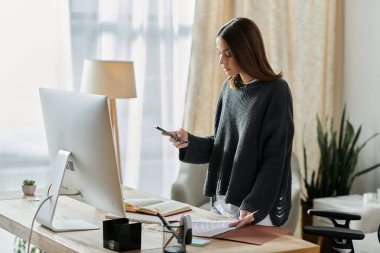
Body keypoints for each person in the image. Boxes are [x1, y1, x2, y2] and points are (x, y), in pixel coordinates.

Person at [165, 17, 294, 228]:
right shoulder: (229, 89)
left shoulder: (276, 91)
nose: (221, 61)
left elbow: (275, 158)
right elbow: (221, 145)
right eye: (219, 53)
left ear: (247, 51)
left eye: (228, 53)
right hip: (223, 203)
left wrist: (254, 205)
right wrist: (189, 143)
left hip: (255, 208)